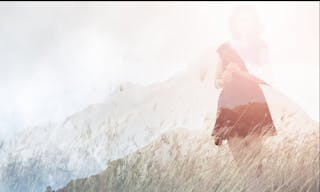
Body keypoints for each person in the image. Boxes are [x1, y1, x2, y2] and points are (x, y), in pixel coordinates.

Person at [211, 5, 277, 176]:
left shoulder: (261, 46)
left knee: (255, 162)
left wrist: (241, 73)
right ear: (234, 23)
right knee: (241, 162)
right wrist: (223, 79)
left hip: (253, 103)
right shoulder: (224, 48)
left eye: (249, 19)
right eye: (241, 19)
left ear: (255, 23)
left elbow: (268, 79)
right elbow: (216, 82)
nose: (244, 24)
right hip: (229, 105)